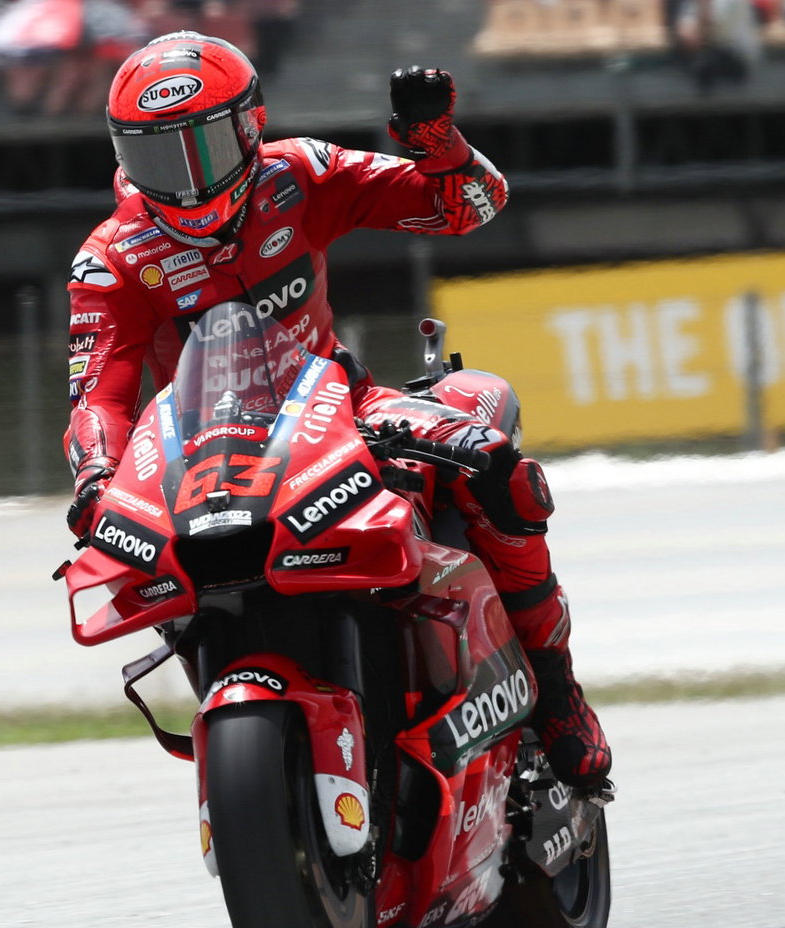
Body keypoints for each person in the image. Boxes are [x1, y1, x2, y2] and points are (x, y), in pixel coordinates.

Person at [62, 31, 612, 794]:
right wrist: (96, 478)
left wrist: (436, 144)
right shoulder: (111, 259)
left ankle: (555, 694)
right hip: (204, 460)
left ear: (251, 125)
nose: (187, 182)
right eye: (159, 157)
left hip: (344, 410)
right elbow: (98, 397)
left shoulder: (300, 175)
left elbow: (470, 206)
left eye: (204, 147)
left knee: (499, 469)